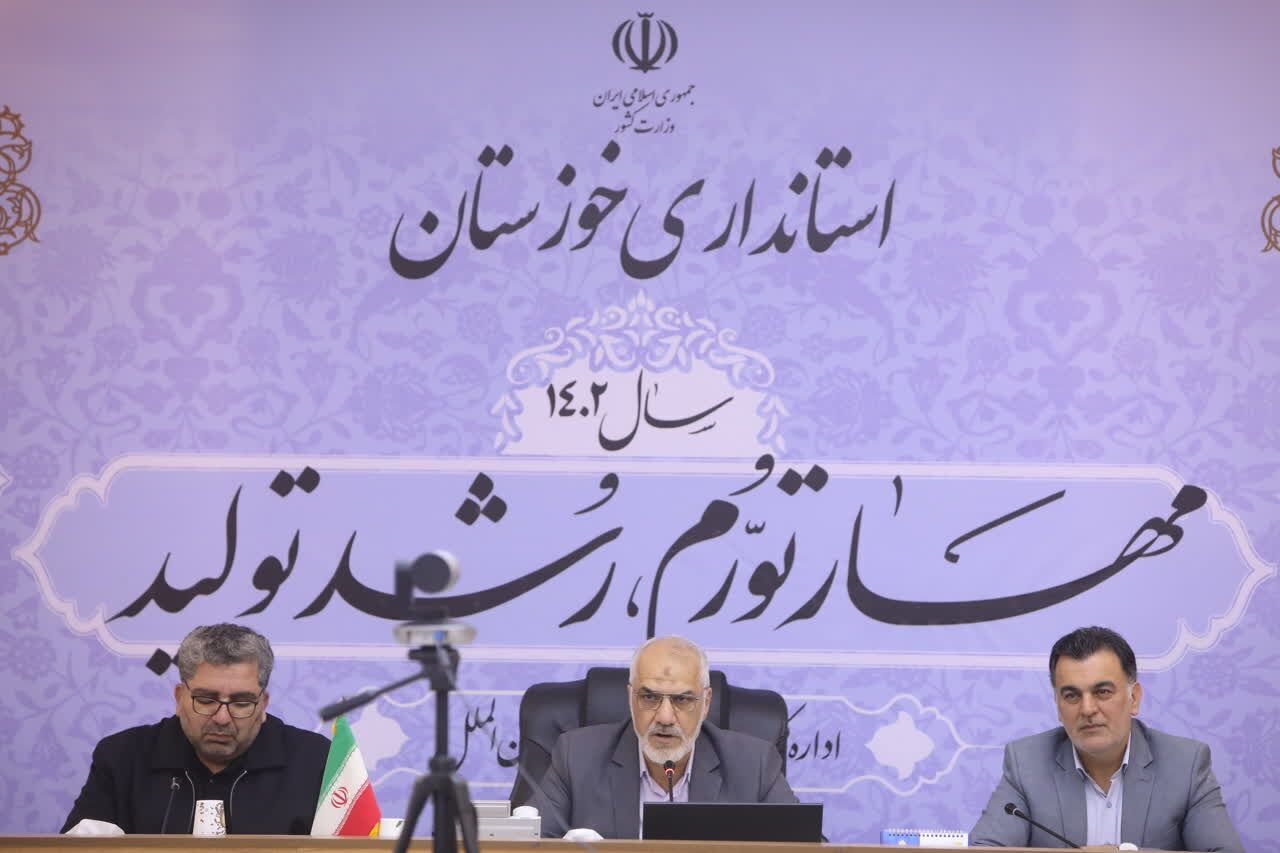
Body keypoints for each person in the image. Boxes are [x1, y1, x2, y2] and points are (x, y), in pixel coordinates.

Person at [970, 626, 1243, 851]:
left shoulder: (1186, 764)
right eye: (1071, 695)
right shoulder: (1027, 763)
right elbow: (985, 849)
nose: (1087, 709)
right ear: (1058, 706)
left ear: (1134, 698)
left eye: (1102, 692)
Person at [61, 623, 330, 835]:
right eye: (206, 700)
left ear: (263, 705)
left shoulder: (316, 761)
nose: (222, 718)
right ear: (179, 698)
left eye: (241, 703)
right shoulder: (122, 758)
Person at [531, 635, 797, 839]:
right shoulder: (576, 757)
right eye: (649, 697)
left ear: (706, 703)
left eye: (682, 700)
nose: (665, 717)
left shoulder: (755, 765)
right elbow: (529, 845)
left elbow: (802, 847)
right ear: (631, 698)